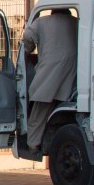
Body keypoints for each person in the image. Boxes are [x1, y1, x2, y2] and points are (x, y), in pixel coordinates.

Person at [21, 8, 78, 149]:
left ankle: (33, 144)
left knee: (39, 113)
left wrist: (27, 51)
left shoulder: (42, 22)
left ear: (52, 11)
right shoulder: (77, 23)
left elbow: (28, 37)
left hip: (48, 76)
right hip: (73, 77)